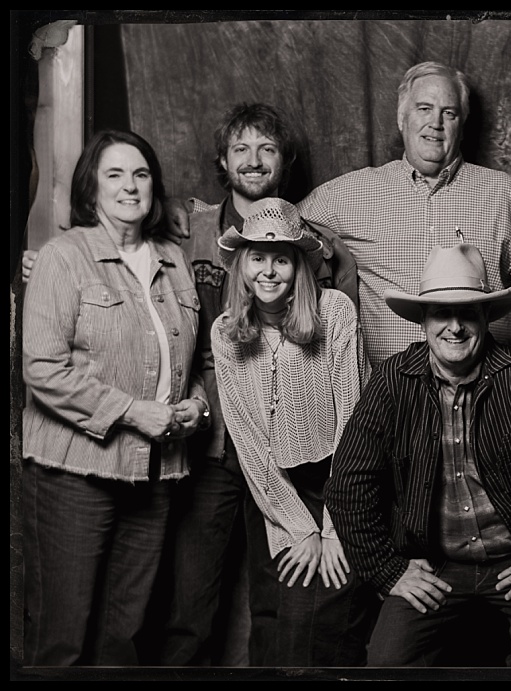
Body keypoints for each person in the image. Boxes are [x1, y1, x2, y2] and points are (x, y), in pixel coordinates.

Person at [324, 241, 511, 667]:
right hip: (437, 563)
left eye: (468, 313)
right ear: (422, 320)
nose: (454, 327)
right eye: (442, 313)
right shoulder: (391, 383)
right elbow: (347, 486)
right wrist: (388, 570)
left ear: (485, 318)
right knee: (385, 665)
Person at [163, 61, 511, 368]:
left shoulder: (502, 193)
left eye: (450, 113)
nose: (436, 124)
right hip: (390, 400)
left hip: (489, 390)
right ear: (401, 117)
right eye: (424, 109)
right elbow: (274, 221)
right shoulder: (350, 194)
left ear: (462, 123)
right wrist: (181, 211)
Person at [156, 102, 359, 666]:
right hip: (219, 444)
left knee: (291, 601)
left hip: (311, 461)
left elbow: (348, 397)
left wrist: (331, 521)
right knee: (194, 598)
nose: (253, 159)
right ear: (223, 159)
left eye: (267, 148)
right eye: (241, 148)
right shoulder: (188, 226)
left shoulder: (324, 261)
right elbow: (126, 234)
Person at [21, 129, 208, 665]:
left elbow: (192, 362)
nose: (131, 186)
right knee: (63, 639)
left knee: (123, 639)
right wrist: (130, 411)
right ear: (91, 188)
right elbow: (42, 368)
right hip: (74, 476)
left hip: (155, 473)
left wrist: (197, 402)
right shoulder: (64, 257)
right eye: (115, 174)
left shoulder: (174, 261)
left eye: (141, 174)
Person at [210, 197, 372, 666]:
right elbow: (248, 441)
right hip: (274, 493)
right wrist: (302, 529)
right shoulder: (226, 333)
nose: (268, 270)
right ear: (241, 266)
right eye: (257, 258)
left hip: (339, 483)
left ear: (299, 265)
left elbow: (353, 424)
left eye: (281, 258)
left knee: (325, 623)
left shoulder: (335, 311)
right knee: (278, 621)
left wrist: (336, 526)